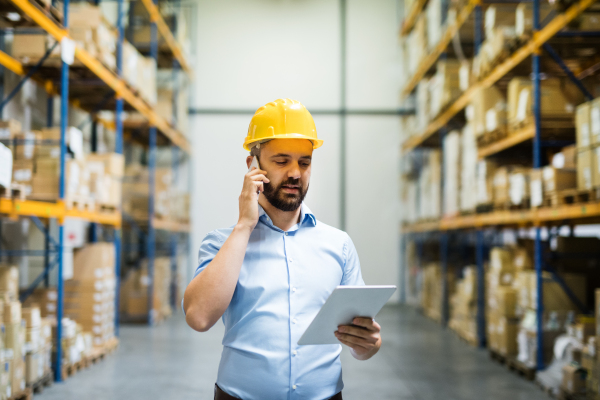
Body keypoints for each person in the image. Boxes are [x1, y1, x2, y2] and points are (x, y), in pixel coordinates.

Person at [183, 99, 382, 400]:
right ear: (253, 165)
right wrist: (244, 226)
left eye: (304, 162)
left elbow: (359, 337)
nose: (295, 173)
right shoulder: (222, 244)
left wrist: (368, 345)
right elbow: (198, 317)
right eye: (281, 161)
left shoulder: (338, 245)